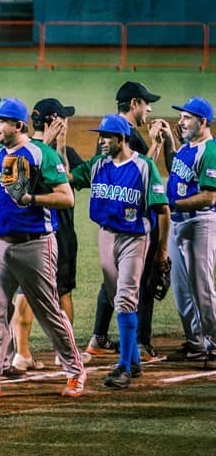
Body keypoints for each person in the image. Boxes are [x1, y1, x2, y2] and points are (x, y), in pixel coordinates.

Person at [0, 98, 86, 400]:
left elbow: (66, 198)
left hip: (36, 244)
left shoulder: (41, 154)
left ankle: (75, 372)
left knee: (49, 312)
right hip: (0, 246)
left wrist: (31, 199)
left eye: (1, 121)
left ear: (18, 125)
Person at [68, 114, 169, 388]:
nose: (101, 141)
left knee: (125, 298)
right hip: (105, 236)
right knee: (116, 298)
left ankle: (123, 368)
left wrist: (161, 252)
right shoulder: (98, 164)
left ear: (122, 139)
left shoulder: (144, 167)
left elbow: (163, 210)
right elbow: (66, 177)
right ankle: (134, 360)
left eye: (106, 137)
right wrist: (59, 141)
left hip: (135, 239)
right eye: (100, 136)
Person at [86, 81, 176, 360]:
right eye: (146, 103)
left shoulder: (108, 133)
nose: (149, 108)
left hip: (113, 225)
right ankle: (140, 344)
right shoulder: (125, 136)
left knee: (115, 283)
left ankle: (100, 337)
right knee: (142, 283)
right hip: (134, 224)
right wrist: (156, 144)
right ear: (134, 103)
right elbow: (140, 172)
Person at [8, 98, 89, 374]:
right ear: (55, 121)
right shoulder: (47, 153)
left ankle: (22, 354)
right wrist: (61, 147)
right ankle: (61, 352)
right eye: (63, 118)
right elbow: (69, 183)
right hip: (59, 232)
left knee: (25, 291)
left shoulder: (21, 151)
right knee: (63, 290)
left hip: (25, 232)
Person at [166, 97, 216, 363]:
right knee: (181, 288)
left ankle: (215, 341)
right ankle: (196, 343)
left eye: (187, 118)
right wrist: (167, 142)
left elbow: (209, 197)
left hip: (201, 224)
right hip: (177, 223)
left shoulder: (210, 150)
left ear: (203, 122)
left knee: (202, 288)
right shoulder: (187, 147)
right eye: (181, 117)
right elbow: (175, 173)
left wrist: (171, 203)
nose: (181, 122)